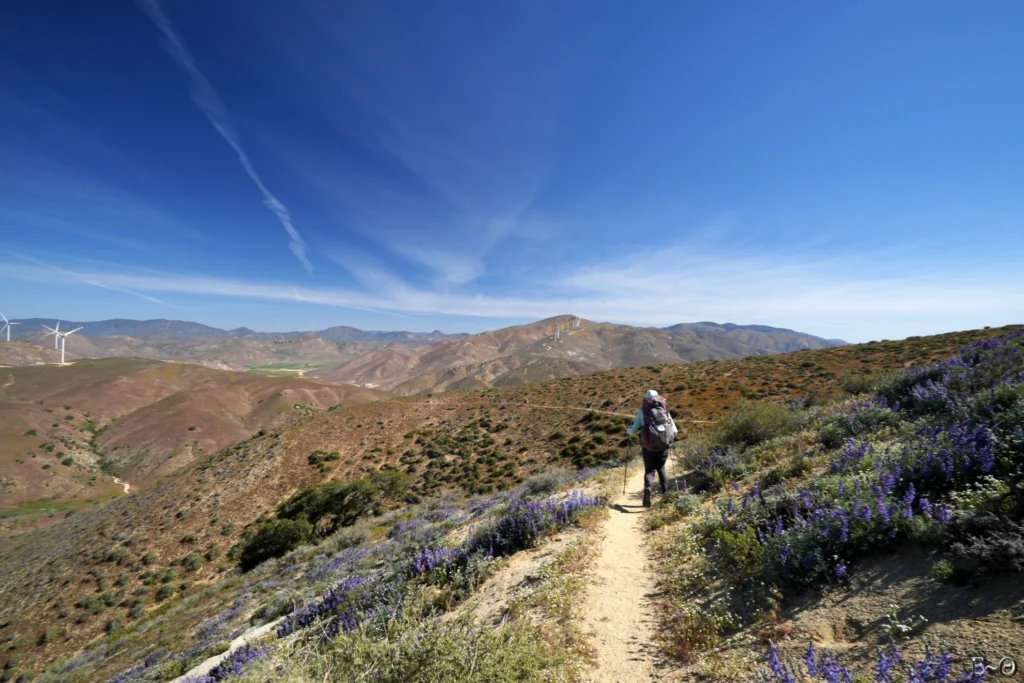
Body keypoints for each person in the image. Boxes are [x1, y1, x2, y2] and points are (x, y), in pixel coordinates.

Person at [626, 389, 679, 507]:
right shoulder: (665, 412)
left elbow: (633, 431)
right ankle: (666, 494)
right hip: (663, 445)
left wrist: (628, 431)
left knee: (649, 470)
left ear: (646, 400)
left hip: (648, 447)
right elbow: (675, 431)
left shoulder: (642, 413)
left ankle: (648, 489)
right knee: (661, 467)